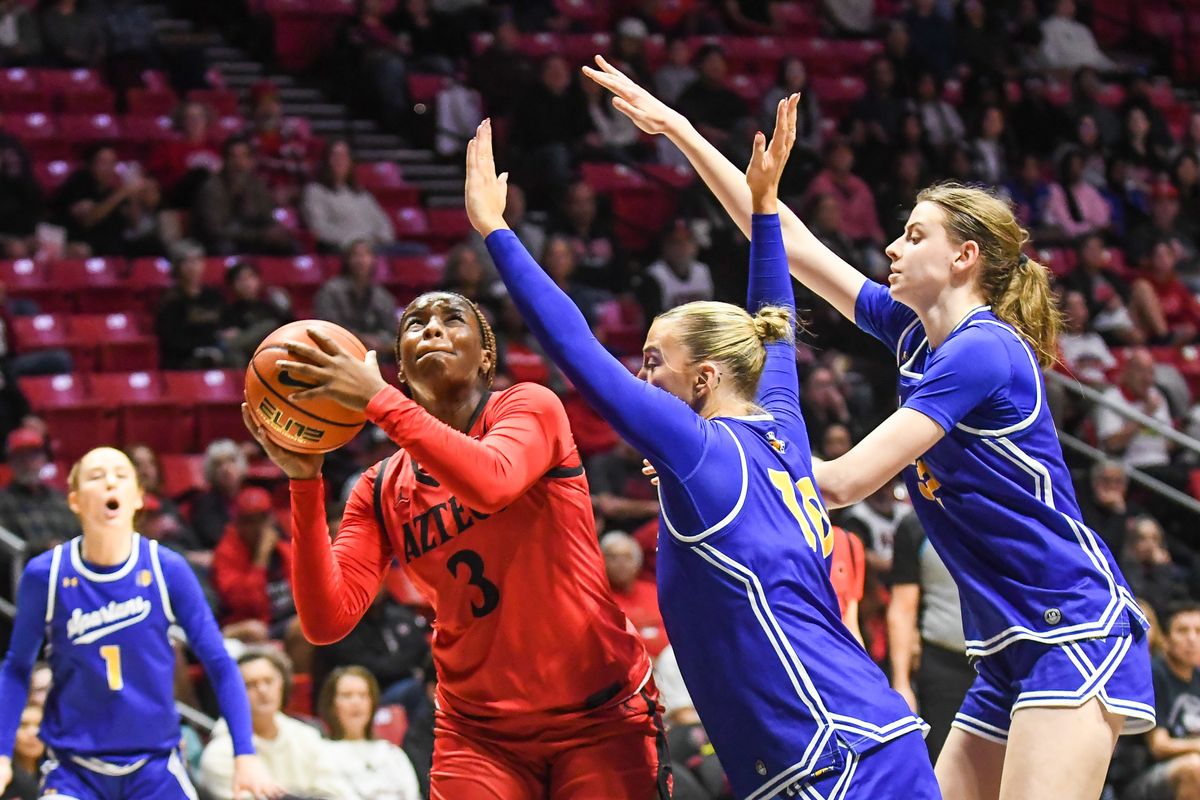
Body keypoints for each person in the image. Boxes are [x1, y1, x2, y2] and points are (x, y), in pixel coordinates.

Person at [583, 55, 1153, 800]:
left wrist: (723, 454)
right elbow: (782, 238)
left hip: (1070, 627)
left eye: (914, 237)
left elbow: (844, 481)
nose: (892, 247)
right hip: (1008, 641)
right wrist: (684, 133)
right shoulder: (916, 334)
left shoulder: (982, 350)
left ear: (963, 257)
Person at [466, 104, 935, 799]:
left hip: (826, 756)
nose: (643, 377)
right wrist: (765, 207)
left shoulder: (703, 451)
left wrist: (496, 231)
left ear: (707, 378)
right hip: (865, 740)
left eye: (655, 362)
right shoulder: (780, 424)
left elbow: (577, 352)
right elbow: (772, 315)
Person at [242, 214, 663, 797]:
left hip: (598, 712)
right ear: (404, 371)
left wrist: (382, 404)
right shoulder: (378, 487)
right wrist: (305, 481)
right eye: (414, 324)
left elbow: (491, 481)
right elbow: (324, 620)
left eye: (450, 319)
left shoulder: (529, 408)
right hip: (478, 730)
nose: (431, 329)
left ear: (486, 357)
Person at [0, 446, 276, 799]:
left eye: (120, 475)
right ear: (74, 500)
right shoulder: (46, 574)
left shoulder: (167, 568)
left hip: (155, 766)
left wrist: (245, 754)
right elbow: (16, 669)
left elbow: (220, 663)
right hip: (74, 770)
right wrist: (2, 753)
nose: (110, 484)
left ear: (138, 497)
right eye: (96, 477)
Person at [200, 648, 347, 800]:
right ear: (233, 694)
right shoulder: (219, 753)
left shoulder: (307, 735)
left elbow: (337, 793)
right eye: (250, 684)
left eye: (268, 681)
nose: (263, 690)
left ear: (282, 684)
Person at [887, 511, 971, 762]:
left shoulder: (1004, 514)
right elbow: (902, 608)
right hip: (943, 668)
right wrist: (901, 683)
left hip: (1005, 665)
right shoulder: (916, 525)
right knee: (946, 766)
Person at [1123, 604, 1200, 800]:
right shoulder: (1153, 673)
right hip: (1143, 774)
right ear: (1165, 640)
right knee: (1194, 768)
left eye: (1198, 631)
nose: (1192, 639)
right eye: (1182, 631)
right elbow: (1159, 745)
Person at [317, 666, 422, 800]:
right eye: (347, 695)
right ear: (331, 705)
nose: (356, 702)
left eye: (363, 695)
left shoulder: (392, 753)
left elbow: (412, 795)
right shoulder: (320, 753)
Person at [301, 139, 396, 253]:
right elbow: (319, 229)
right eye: (335, 155)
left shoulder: (362, 194)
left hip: (374, 247)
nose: (340, 161)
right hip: (344, 249)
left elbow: (383, 224)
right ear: (326, 161)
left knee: (416, 250)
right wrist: (356, 242)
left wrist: (381, 239)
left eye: (344, 156)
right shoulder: (315, 191)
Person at [0, 427, 80, 554]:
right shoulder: (4, 501)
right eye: (20, 457)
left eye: (33, 455)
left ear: (44, 458)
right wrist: (42, 548)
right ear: (10, 462)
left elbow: (80, 536)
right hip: (26, 569)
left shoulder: (60, 499)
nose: (27, 463)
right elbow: (6, 549)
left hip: (67, 566)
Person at [313, 239, 399, 355]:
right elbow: (327, 327)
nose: (361, 261)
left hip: (376, 352)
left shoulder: (382, 295)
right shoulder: (330, 291)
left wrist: (380, 341)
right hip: (340, 349)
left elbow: (392, 330)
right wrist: (361, 338)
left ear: (373, 260)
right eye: (356, 256)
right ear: (347, 260)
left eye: (366, 255)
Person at [0, 705, 42, 800]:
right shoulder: (3, 776)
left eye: (39, 725)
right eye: (23, 725)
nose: (33, 733)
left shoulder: (59, 774)